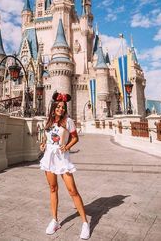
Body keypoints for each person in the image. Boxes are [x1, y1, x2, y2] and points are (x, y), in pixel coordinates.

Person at [40, 92, 90, 240]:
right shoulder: (47, 121)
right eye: (59, 106)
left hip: (62, 158)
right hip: (49, 157)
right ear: (54, 107)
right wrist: (43, 144)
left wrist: (67, 147)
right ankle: (54, 220)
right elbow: (46, 137)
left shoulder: (68, 121)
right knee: (53, 188)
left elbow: (75, 138)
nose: (61, 109)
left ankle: (85, 223)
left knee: (72, 190)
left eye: (63, 107)